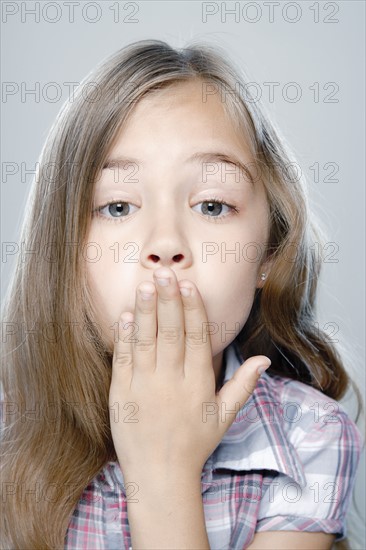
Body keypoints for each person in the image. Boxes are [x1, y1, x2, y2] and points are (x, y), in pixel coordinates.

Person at [1, 39, 363, 550]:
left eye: (212, 205)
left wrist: (162, 469)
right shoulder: (8, 443)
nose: (166, 244)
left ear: (268, 253)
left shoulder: (310, 439)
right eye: (119, 207)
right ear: (65, 253)